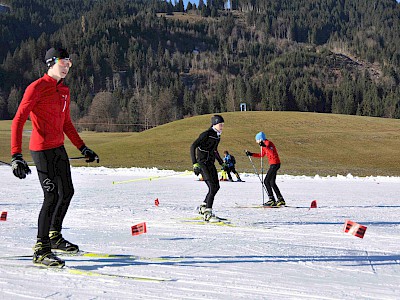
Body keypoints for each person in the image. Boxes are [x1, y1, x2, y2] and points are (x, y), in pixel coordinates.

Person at [10, 47, 99, 267]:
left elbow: (66, 123)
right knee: (51, 195)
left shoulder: (64, 91)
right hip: (41, 150)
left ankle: (54, 236)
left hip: (58, 149)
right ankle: (41, 249)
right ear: (51, 63)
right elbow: (19, 120)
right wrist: (16, 155)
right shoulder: (36, 88)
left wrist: (83, 148)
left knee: (67, 192)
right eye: (64, 62)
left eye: (69, 63)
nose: (67, 66)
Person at [191, 115, 225, 222]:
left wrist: (221, 162)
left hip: (210, 163)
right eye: (220, 125)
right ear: (215, 124)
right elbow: (193, 146)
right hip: (202, 163)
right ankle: (208, 213)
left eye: (223, 125)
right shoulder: (206, 134)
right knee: (212, 187)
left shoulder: (217, 136)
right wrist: (195, 164)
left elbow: (214, 150)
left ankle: (203, 207)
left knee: (216, 187)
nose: (222, 127)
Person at [245, 132, 285, 207]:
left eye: (257, 140)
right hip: (274, 164)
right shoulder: (263, 146)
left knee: (266, 181)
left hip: (275, 164)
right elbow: (261, 155)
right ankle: (281, 199)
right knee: (272, 182)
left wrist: (263, 145)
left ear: (260, 139)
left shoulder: (268, 143)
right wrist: (251, 154)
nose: (256, 142)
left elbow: (268, 146)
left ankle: (271, 199)